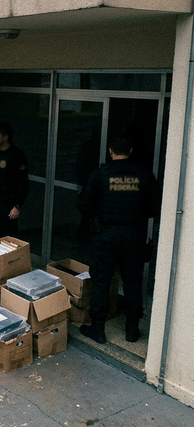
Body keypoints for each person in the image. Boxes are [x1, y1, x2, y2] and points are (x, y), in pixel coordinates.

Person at [76, 138, 161, 345]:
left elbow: (84, 205)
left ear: (110, 151)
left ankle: (98, 329)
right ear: (130, 150)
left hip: (106, 236)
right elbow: (154, 207)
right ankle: (132, 330)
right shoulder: (144, 175)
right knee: (133, 281)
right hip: (134, 235)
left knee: (101, 281)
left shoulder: (100, 175)